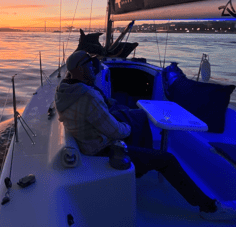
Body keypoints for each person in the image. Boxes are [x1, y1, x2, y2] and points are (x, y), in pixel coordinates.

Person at [54, 50, 236, 221]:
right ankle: (209, 209)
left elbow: (99, 117)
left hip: (91, 140)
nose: (94, 67)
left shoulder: (65, 90)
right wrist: (128, 127)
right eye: (89, 64)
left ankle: (142, 164)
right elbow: (117, 131)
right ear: (78, 69)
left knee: (139, 115)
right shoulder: (87, 96)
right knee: (166, 159)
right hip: (101, 148)